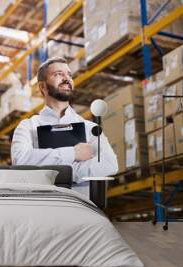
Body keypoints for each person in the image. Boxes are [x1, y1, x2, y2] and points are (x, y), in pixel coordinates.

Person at [11, 57, 118, 194]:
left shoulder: (89, 128)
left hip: (80, 207)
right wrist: (73, 154)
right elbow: (21, 162)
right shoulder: (27, 126)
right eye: (58, 74)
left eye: (69, 75)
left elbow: (109, 165)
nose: (66, 79)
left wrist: (55, 174)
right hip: (40, 206)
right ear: (42, 86)